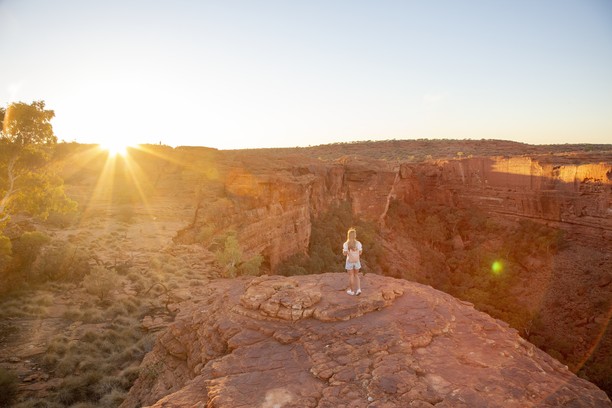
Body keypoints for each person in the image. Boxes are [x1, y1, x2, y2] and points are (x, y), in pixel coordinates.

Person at [343, 228, 362, 296]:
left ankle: (352, 291)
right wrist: (355, 252)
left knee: (351, 275)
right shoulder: (358, 243)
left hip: (349, 261)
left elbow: (345, 254)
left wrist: (348, 252)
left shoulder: (346, 244)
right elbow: (360, 253)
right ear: (355, 236)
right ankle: (359, 289)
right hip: (357, 261)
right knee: (356, 275)